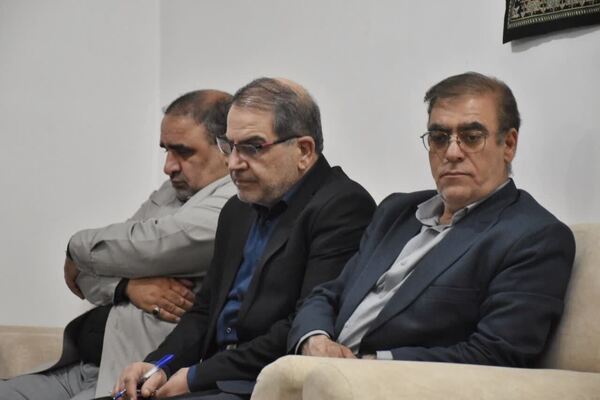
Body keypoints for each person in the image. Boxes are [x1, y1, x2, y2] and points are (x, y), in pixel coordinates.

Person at [289, 72, 575, 368]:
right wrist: (314, 338)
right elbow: (329, 293)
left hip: (392, 383)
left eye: (472, 137)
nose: (451, 152)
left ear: (509, 145)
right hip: (319, 372)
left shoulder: (533, 237)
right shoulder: (396, 211)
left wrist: (369, 366)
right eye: (439, 137)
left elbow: (496, 355)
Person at [114, 77, 376, 400]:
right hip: (215, 381)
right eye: (229, 146)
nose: (234, 163)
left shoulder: (343, 207)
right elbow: (204, 312)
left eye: (252, 147)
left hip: (265, 386)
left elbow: (301, 325)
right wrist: (157, 365)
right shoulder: (237, 210)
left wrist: (195, 376)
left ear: (304, 151)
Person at [0, 90, 237, 400]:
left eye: (183, 151)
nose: (168, 166)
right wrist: (126, 286)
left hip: (132, 380)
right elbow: (89, 274)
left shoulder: (234, 200)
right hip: (84, 367)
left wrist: (76, 246)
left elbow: (145, 246)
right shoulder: (171, 191)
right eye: (166, 150)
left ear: (226, 148)